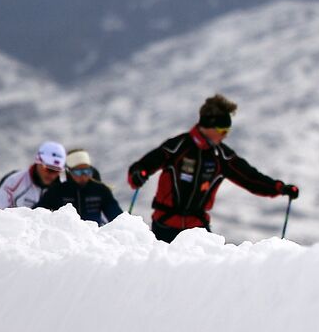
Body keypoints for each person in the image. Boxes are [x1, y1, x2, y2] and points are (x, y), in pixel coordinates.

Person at [126, 94, 299, 243]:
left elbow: (251, 179)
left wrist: (280, 188)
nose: (225, 135)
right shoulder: (178, 146)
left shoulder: (222, 156)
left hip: (198, 229)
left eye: (227, 130)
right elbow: (142, 167)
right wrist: (138, 175)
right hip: (165, 225)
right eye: (222, 130)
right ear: (208, 126)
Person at [38, 149, 123, 226]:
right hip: (66, 237)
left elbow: (117, 218)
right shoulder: (57, 191)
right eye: (78, 172)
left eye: (86, 171)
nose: (83, 176)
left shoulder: (100, 190)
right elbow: (37, 215)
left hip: (94, 238)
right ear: (69, 171)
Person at [0, 141, 67, 209]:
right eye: (49, 169)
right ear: (38, 162)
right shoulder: (14, 182)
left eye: (57, 171)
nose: (52, 175)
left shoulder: (64, 190)